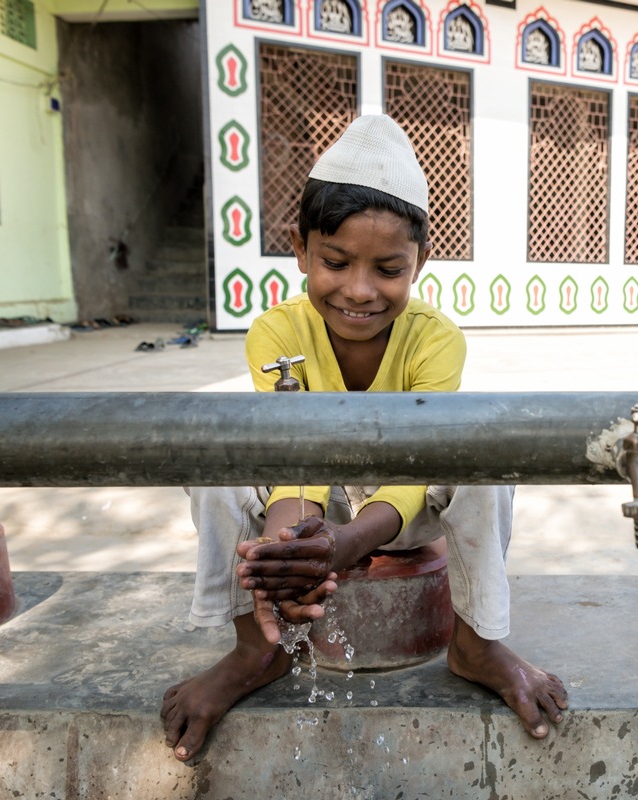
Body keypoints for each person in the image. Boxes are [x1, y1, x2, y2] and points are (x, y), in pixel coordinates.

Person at [161, 115, 567, 762]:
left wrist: (345, 543)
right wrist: (291, 543)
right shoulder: (274, 331)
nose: (359, 290)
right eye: (335, 262)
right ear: (299, 249)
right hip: (310, 500)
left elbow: (421, 467)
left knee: (487, 457)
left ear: (420, 263)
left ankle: (476, 642)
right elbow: (294, 456)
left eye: (387, 269)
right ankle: (252, 648)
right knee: (216, 460)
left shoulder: (435, 338)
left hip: (394, 514)